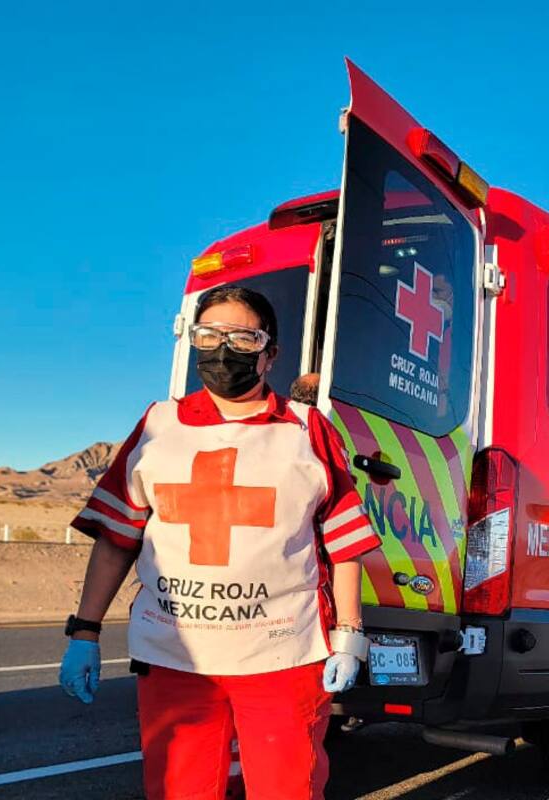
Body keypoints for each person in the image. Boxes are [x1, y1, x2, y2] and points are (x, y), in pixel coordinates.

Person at [59, 284, 381, 800]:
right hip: (176, 656)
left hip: (282, 656)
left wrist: (349, 634)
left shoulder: (305, 428)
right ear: (193, 342)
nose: (223, 349)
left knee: (287, 790)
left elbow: (343, 540)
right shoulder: (159, 425)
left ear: (270, 353)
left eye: (243, 337)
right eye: (210, 334)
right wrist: (85, 632)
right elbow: (118, 536)